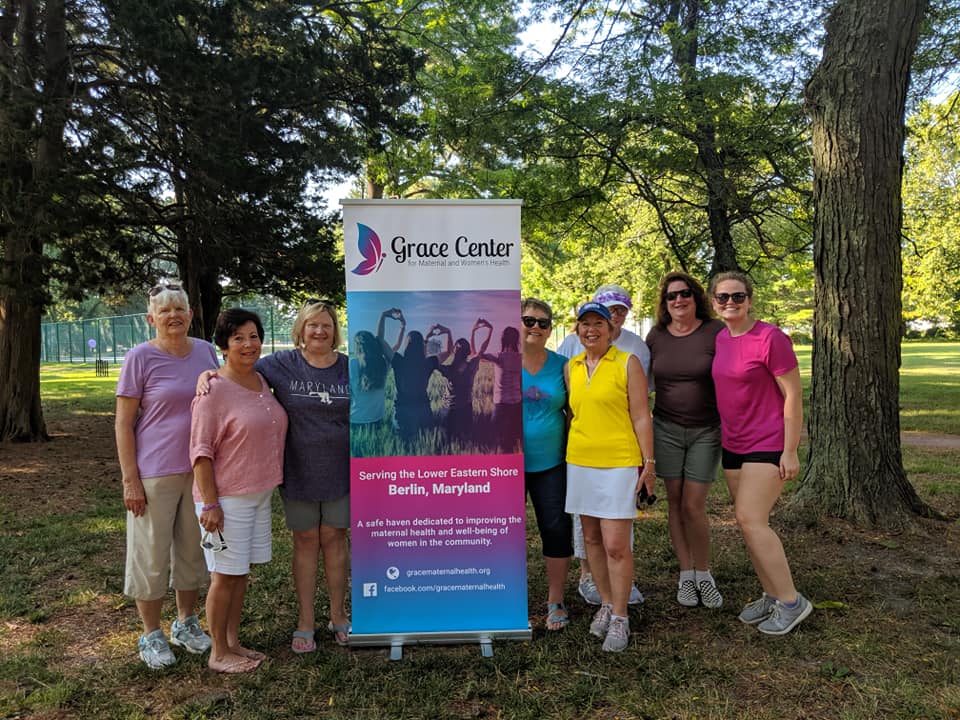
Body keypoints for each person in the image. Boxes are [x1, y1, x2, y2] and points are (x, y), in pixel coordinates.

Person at [199, 300, 352, 652]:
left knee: (334, 538)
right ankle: (306, 622)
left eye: (326, 325)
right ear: (300, 328)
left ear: (335, 331)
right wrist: (206, 374)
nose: (319, 331)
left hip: (342, 472)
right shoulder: (280, 365)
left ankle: (339, 615)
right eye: (312, 324)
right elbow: (237, 366)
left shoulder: (350, 368)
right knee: (306, 541)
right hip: (297, 472)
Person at [115, 282, 218, 670]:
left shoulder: (206, 351)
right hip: (154, 473)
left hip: (199, 470)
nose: (173, 315)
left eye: (180, 308)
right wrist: (130, 479)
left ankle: (186, 623)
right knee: (151, 556)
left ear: (191, 314)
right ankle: (151, 633)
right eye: (165, 310)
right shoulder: (140, 357)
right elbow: (124, 424)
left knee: (192, 551)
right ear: (151, 319)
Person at [710, 271, 811, 635]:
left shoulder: (771, 338)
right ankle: (770, 594)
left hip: (768, 443)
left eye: (738, 296)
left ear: (750, 299)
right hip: (733, 444)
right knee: (746, 524)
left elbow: (793, 395)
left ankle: (791, 601)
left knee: (751, 518)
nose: (730, 303)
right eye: (723, 297)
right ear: (714, 302)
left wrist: (791, 450)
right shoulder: (721, 339)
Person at [191, 308, 288, 672]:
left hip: (258, 495)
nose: (248, 344)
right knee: (224, 576)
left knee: (239, 573)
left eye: (253, 336)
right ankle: (218, 652)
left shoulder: (261, 380)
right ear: (223, 346)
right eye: (238, 338)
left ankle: (232, 641)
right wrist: (211, 504)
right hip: (225, 500)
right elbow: (200, 453)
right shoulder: (212, 391)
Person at [564, 302, 655, 652]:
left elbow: (642, 417)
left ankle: (620, 617)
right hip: (581, 462)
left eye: (598, 323)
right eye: (584, 324)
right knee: (592, 540)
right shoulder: (571, 367)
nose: (591, 330)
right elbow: (575, 414)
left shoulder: (628, 363)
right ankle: (604, 603)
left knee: (617, 545)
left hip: (618, 462)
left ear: (610, 329)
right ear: (577, 330)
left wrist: (648, 463)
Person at [646, 272, 725, 608]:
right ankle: (685, 574)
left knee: (694, 505)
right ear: (664, 304)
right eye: (671, 296)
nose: (678, 300)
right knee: (675, 502)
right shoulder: (656, 336)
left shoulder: (714, 332)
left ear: (696, 297)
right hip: (665, 429)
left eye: (685, 294)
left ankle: (704, 573)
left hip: (706, 430)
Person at [520, 299, 573, 631]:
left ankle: (556, 600)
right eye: (528, 320)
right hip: (507, 466)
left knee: (555, 529)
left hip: (551, 463)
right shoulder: (500, 364)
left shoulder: (563, 366)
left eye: (543, 323)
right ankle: (506, 598)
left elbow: (576, 412)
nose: (535, 327)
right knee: (506, 534)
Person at [433, 318, 492, 443]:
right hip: (466, 409)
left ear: (454, 351)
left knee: (448, 443)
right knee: (466, 441)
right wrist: (487, 330)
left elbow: (433, 363)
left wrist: (438, 336)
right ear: (468, 352)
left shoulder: (448, 369)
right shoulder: (472, 365)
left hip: (449, 411)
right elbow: (481, 349)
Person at [391, 315, 441, 442]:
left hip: (402, 410)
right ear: (421, 345)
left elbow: (386, 345)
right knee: (424, 442)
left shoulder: (398, 360)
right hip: (423, 410)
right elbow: (449, 351)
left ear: (406, 344)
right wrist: (428, 338)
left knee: (403, 446)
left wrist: (402, 327)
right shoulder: (428, 362)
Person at [351, 308, 404, 426]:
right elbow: (390, 343)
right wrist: (400, 325)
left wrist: (383, 315)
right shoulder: (383, 364)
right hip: (377, 419)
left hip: (355, 419)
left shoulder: (351, 364)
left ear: (357, 346)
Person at [482, 324, 523, 453]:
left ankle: (503, 469)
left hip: (501, 407)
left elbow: (480, 354)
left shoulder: (499, 356)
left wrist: (489, 331)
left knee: (500, 444)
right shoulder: (521, 358)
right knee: (516, 441)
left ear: (503, 340)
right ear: (517, 340)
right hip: (517, 405)